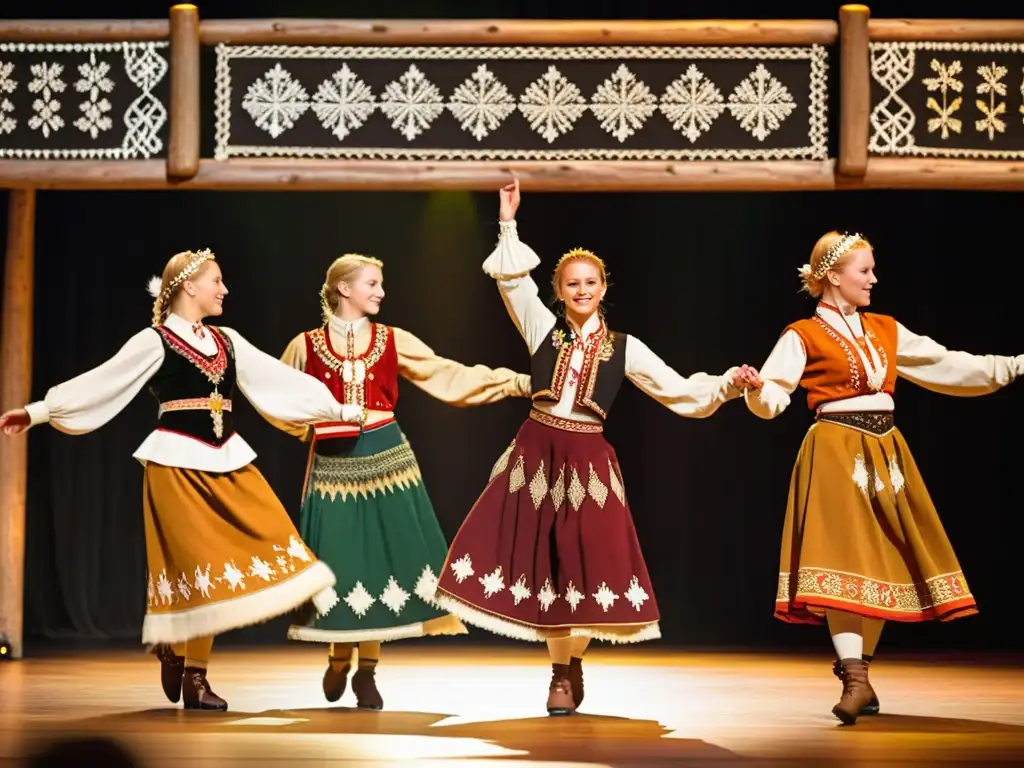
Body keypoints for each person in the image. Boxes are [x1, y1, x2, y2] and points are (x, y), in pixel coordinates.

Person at [432, 179, 759, 715]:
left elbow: (677, 390)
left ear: (604, 287)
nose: (580, 290)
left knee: (587, 565)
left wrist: (728, 384)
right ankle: (560, 673)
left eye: (589, 282)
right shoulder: (544, 329)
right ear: (559, 292)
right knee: (542, 564)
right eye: (570, 284)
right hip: (537, 453)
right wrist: (508, 222)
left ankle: (570, 660)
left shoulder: (624, 348)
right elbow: (514, 284)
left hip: (587, 460)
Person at [0, 249, 364, 712]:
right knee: (200, 567)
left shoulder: (228, 341)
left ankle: (280, 601)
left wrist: (336, 409)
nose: (225, 289)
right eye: (217, 280)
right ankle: (194, 675)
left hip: (227, 459)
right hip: (175, 465)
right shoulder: (156, 342)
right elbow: (104, 381)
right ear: (190, 286)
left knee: (274, 528)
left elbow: (277, 381)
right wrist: (40, 412)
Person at [743, 231, 1024, 724]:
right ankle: (854, 678)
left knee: (878, 563)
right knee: (843, 557)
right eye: (864, 270)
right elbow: (773, 398)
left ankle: (862, 676)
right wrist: (754, 390)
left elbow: (948, 365)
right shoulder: (801, 335)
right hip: (835, 449)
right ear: (833, 276)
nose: (874, 279)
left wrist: (1014, 366)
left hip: (887, 451)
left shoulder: (886, 329)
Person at [269, 253, 532, 710]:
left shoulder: (392, 339)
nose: (381, 292)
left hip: (387, 456)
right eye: (372, 283)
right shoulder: (306, 345)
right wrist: (307, 426)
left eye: (381, 284)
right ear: (344, 289)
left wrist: (512, 383)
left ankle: (368, 671)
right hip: (332, 460)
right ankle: (337, 656)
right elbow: (275, 395)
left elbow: (446, 373)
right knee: (339, 558)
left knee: (382, 563)